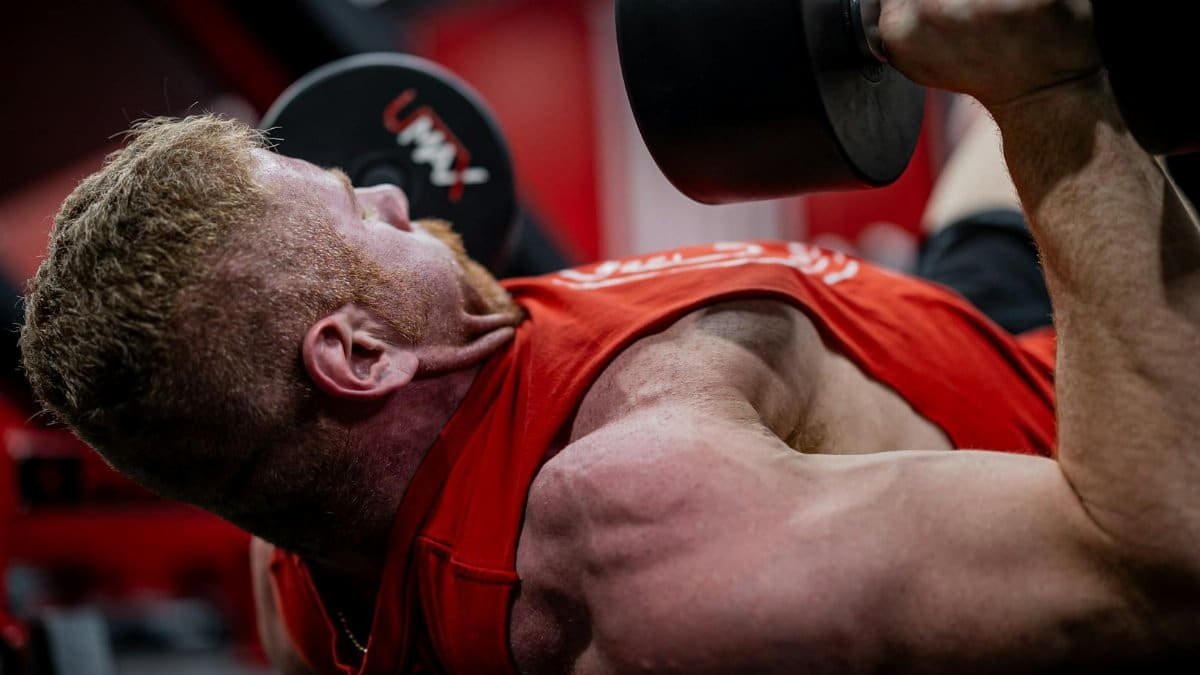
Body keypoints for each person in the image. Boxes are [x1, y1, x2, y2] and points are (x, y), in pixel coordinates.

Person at [18, 1, 1200, 672]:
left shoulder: (294, 568)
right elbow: (1158, 574)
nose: (395, 196)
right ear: (362, 358)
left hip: (967, 321)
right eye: (356, 211)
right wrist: (1047, 98)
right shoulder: (649, 537)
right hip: (1119, 430)